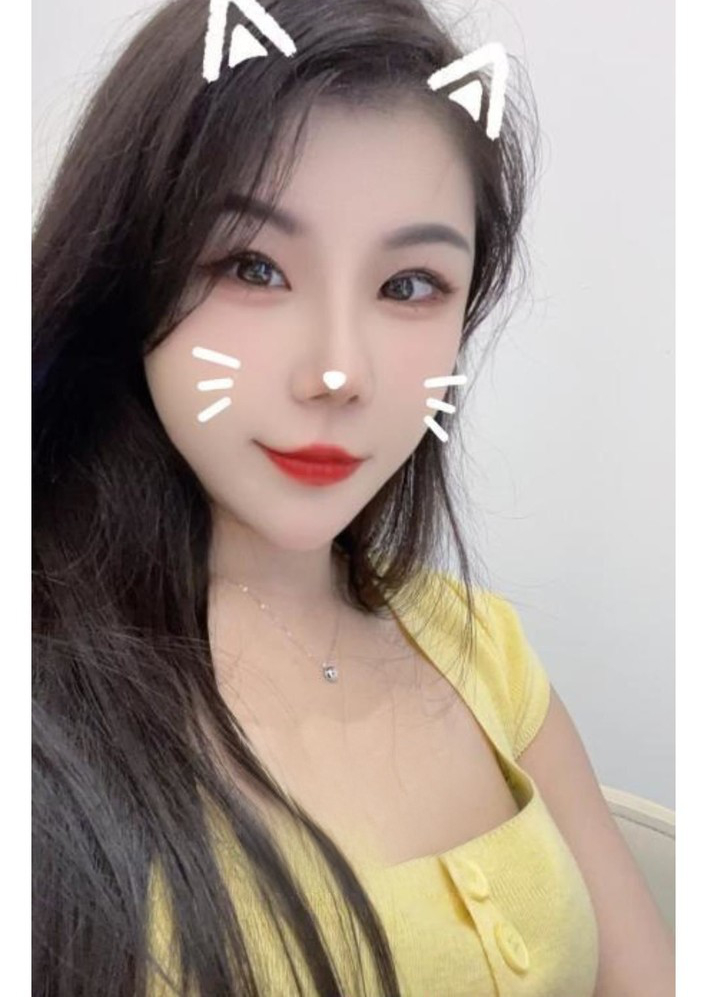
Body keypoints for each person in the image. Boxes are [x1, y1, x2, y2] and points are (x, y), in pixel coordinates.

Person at [32, 0, 675, 994]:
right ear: (126, 273)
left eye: (409, 285)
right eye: (252, 267)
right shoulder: (44, 700)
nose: (339, 372)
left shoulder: (479, 646)